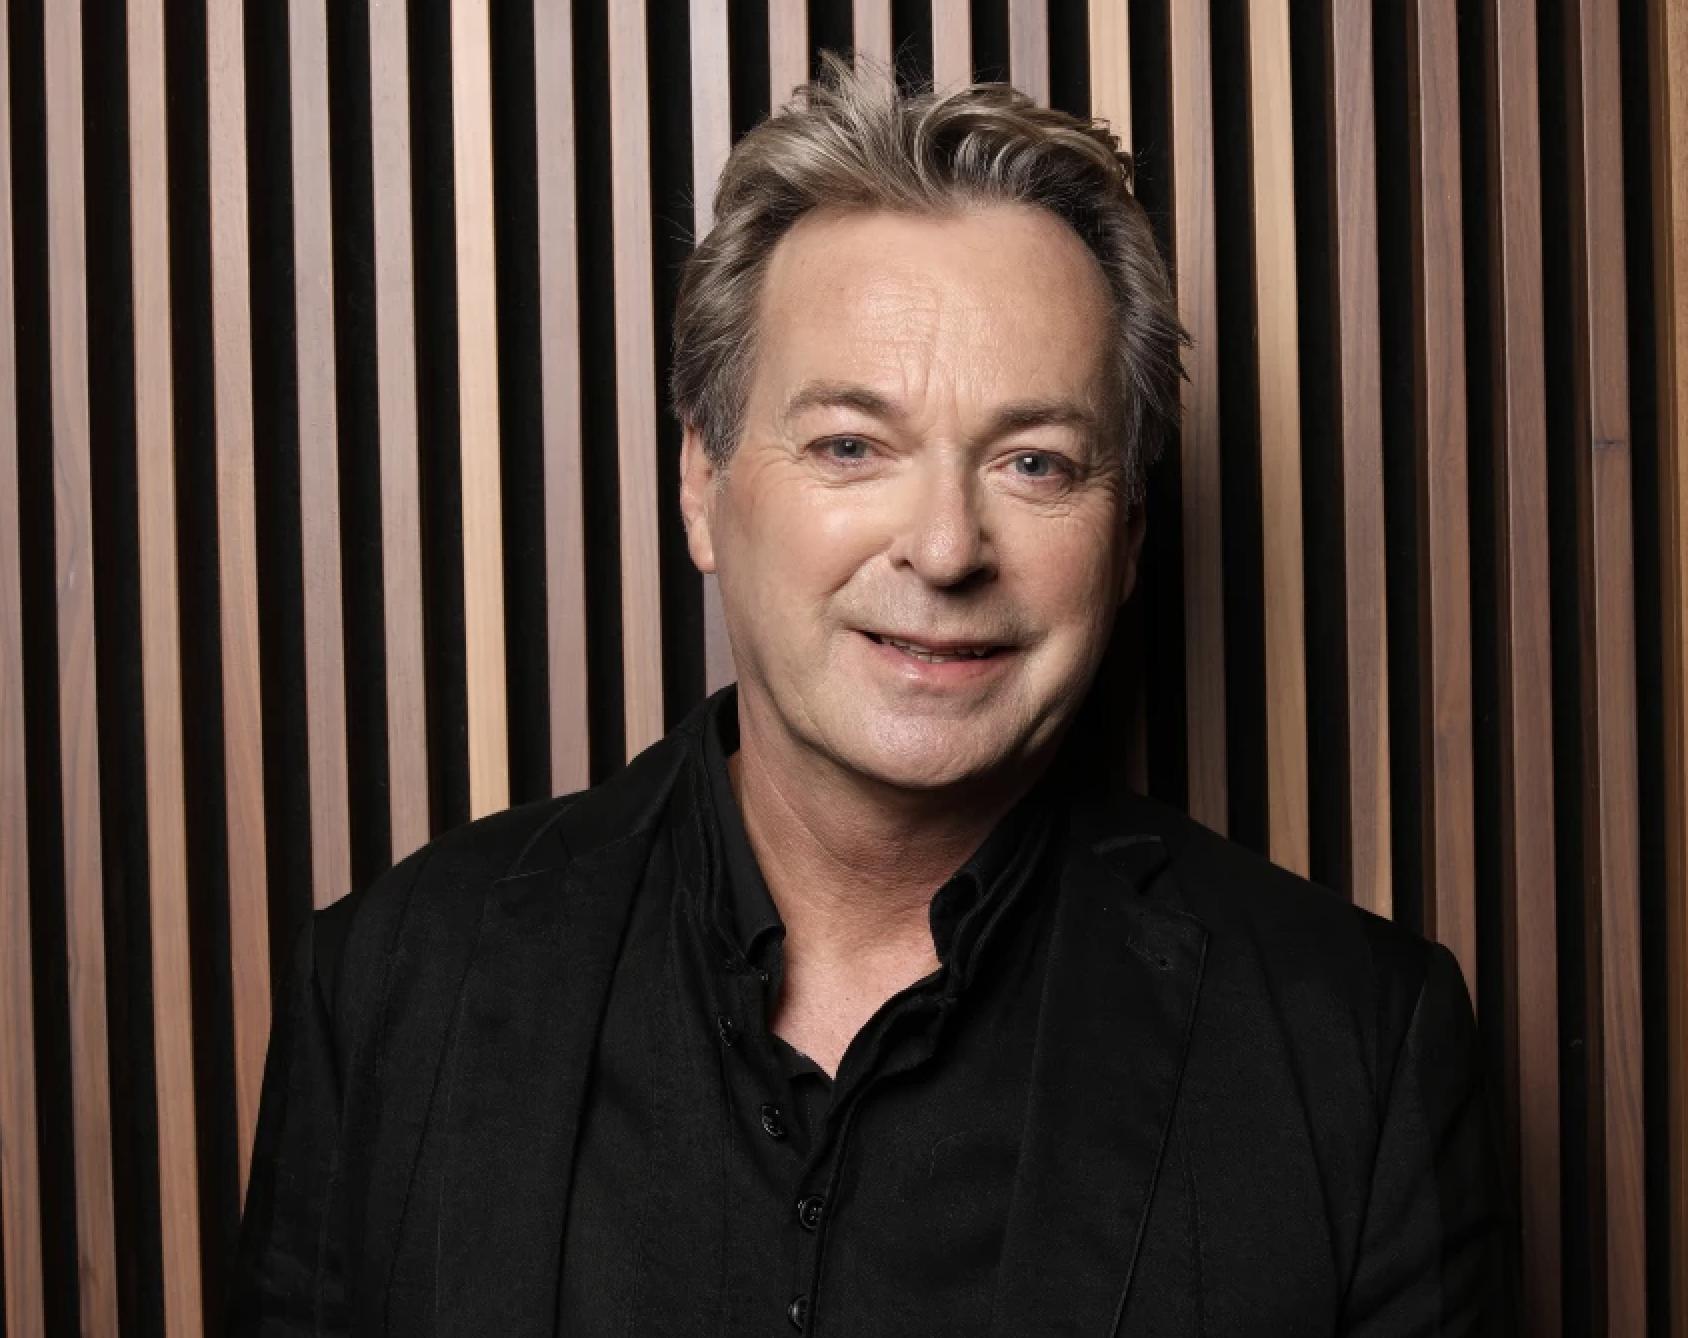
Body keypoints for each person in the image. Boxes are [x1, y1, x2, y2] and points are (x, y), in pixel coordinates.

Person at [228, 55, 1503, 1336]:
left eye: (1034, 461)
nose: (944, 547)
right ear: (701, 484)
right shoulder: (394, 985)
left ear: (1124, 540)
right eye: (851, 445)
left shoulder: (1355, 1050)